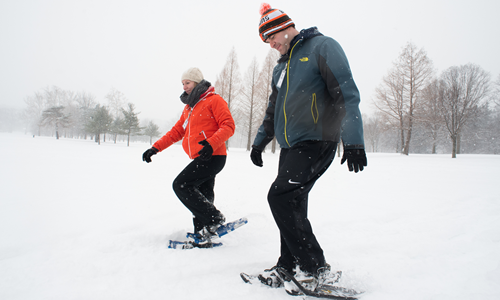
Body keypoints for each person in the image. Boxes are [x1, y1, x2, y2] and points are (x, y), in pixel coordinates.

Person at [249, 3, 368, 291]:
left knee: (279, 198)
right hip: (291, 145)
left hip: (317, 140)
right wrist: (260, 141)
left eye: (271, 38)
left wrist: (352, 140)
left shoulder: (322, 47)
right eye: (267, 42)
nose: (271, 45)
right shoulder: (282, 66)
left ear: (284, 28)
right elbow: (273, 109)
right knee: (291, 205)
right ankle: (287, 266)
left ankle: (318, 269)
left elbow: (346, 95)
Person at [142, 67, 235, 246]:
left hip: (214, 155)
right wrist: (155, 148)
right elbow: (177, 132)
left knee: (181, 185)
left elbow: (228, 125)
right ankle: (202, 233)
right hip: (201, 157)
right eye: (183, 83)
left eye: (188, 83)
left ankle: (214, 219)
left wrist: (211, 143)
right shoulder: (189, 108)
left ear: (197, 82)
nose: (184, 86)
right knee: (203, 194)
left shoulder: (214, 100)